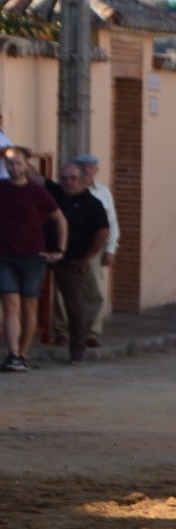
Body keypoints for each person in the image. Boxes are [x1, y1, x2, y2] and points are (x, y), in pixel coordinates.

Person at [1, 147, 68, 372]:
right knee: (10, 305)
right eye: (10, 163)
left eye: (18, 163)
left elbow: (60, 219)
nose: (14, 167)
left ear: (27, 164)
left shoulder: (38, 192)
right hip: (4, 257)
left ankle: (23, 352)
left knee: (29, 307)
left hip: (32, 257)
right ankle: (12, 354)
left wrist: (59, 249)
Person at [44, 161, 110, 364]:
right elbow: (32, 175)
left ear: (83, 181)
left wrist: (87, 258)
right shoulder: (54, 192)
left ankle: (77, 349)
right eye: (64, 178)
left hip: (73, 260)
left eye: (73, 179)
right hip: (44, 254)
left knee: (75, 306)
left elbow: (102, 232)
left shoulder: (93, 204)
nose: (68, 182)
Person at [75, 155, 116, 348]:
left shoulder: (103, 192)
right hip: (71, 243)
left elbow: (112, 223)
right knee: (64, 290)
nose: (87, 171)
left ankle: (93, 331)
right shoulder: (68, 188)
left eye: (91, 167)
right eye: (84, 167)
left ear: (96, 170)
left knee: (95, 289)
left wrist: (110, 248)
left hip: (95, 245)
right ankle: (64, 331)